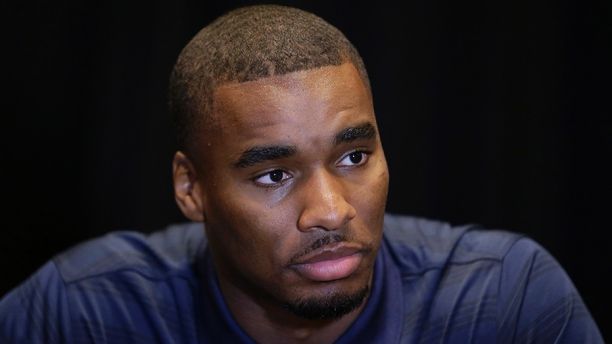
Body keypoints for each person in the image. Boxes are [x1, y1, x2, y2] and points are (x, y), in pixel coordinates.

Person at [0, 4, 604, 343]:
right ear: (191, 189)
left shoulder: (504, 301)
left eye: (353, 158)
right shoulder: (81, 314)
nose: (331, 211)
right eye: (273, 174)